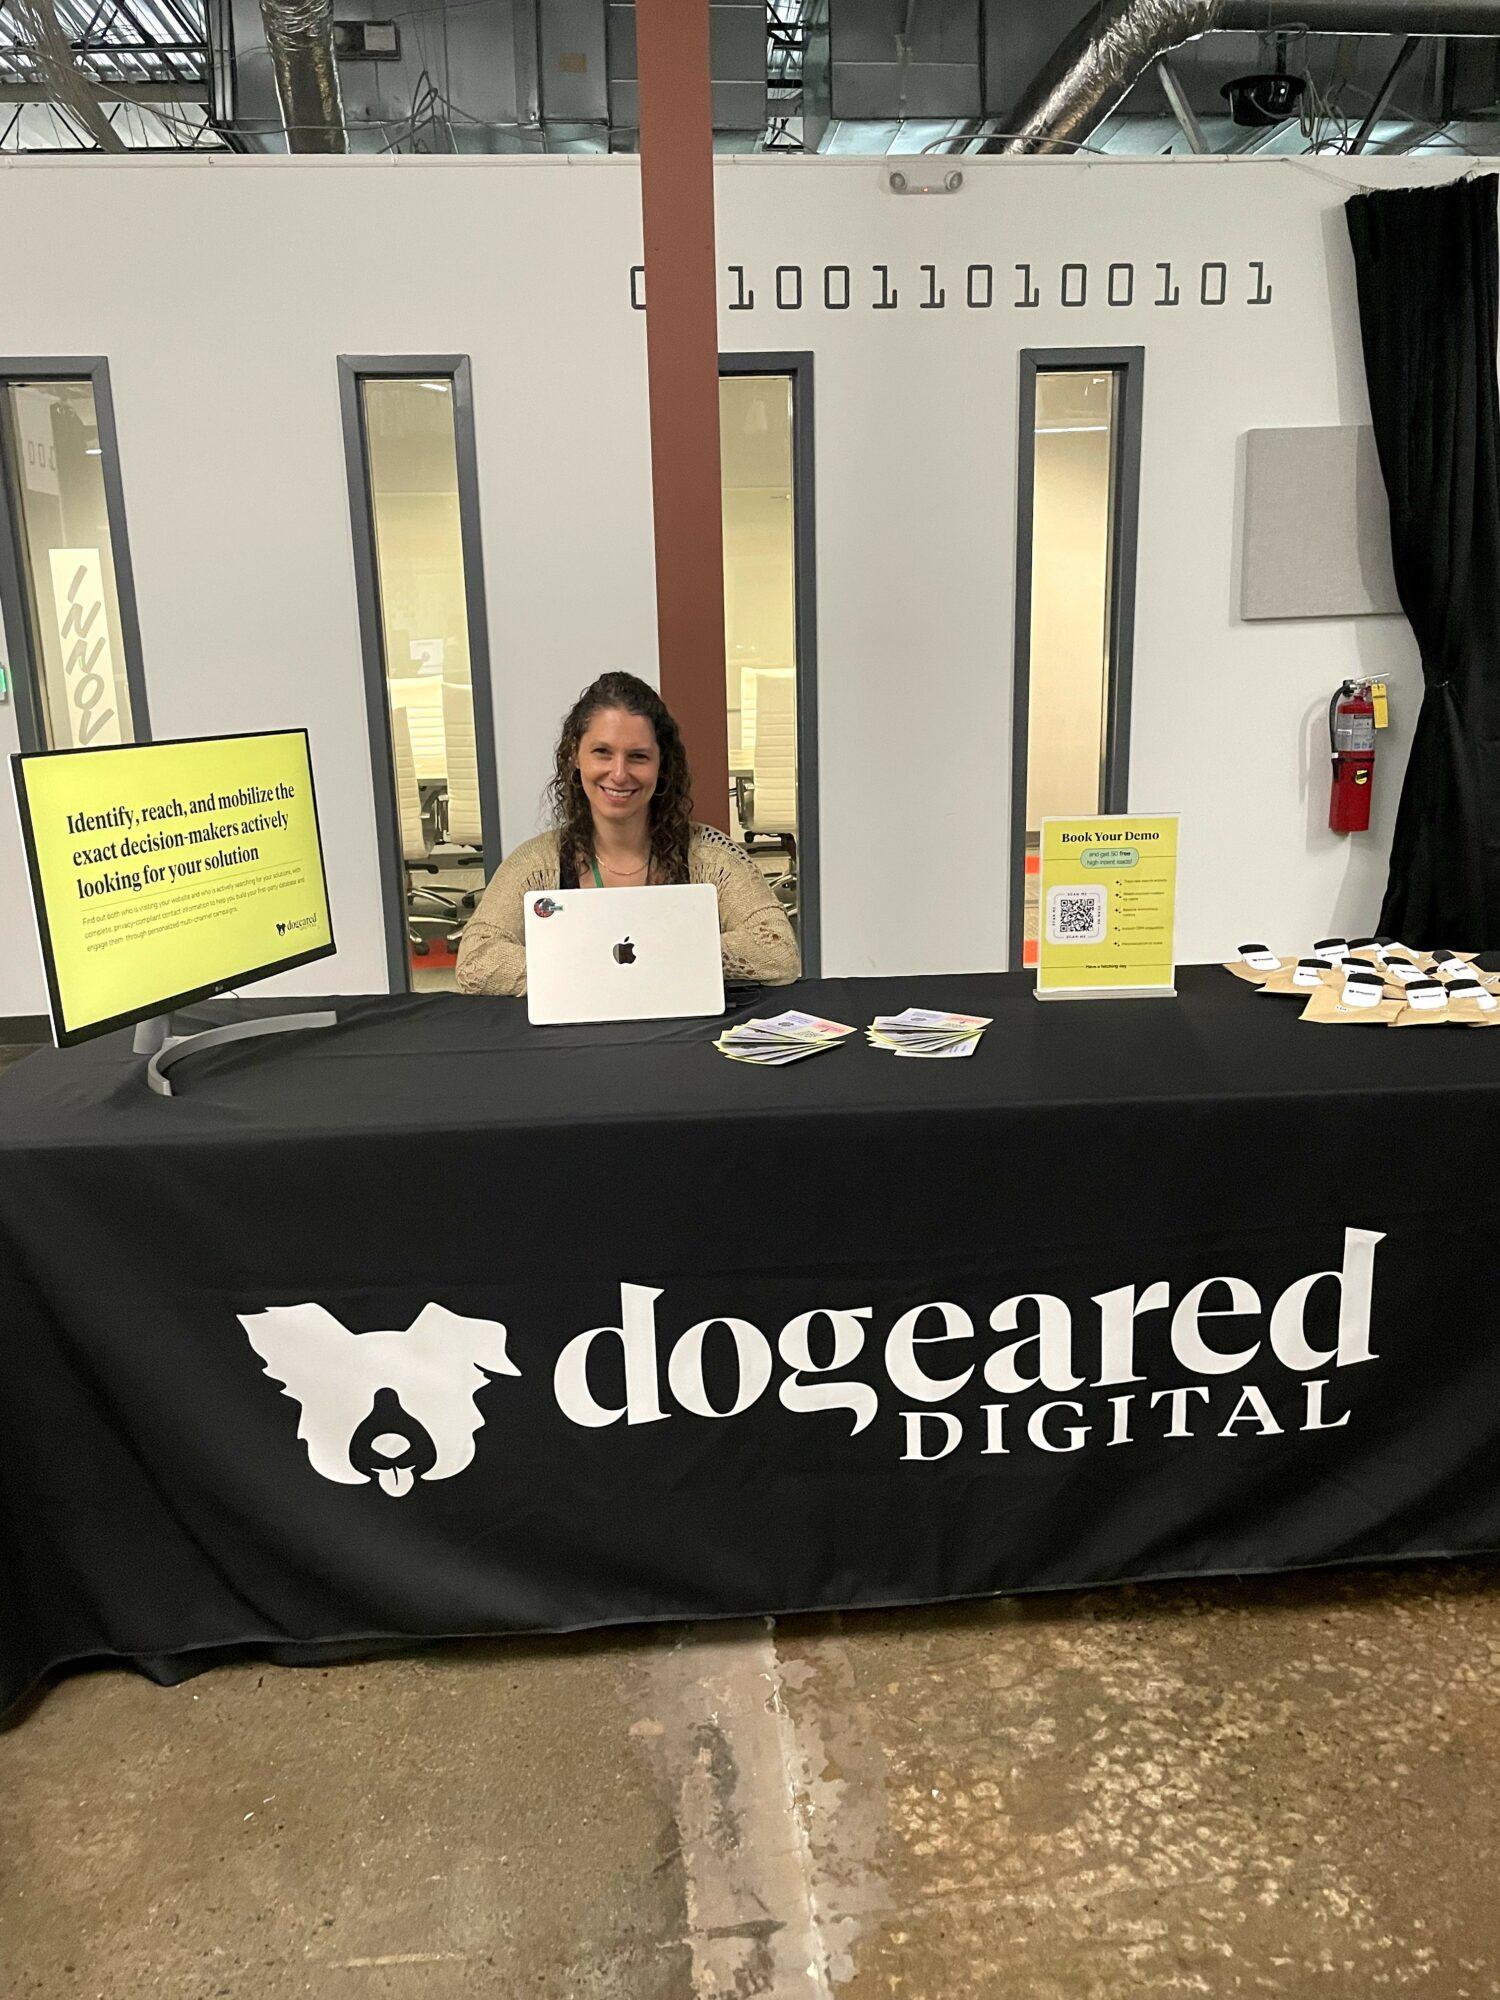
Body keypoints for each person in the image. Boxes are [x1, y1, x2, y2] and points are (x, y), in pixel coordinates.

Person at [455, 671, 801, 997]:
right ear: (575, 755)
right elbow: (475, 963)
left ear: (661, 764)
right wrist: (598, 963)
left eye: (638, 756)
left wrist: (652, 954)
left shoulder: (712, 858)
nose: (619, 774)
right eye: (602, 752)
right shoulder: (536, 864)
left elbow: (779, 952)